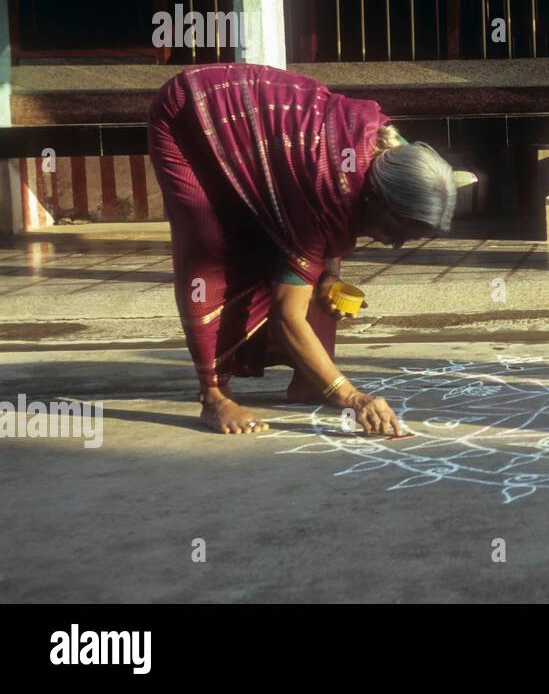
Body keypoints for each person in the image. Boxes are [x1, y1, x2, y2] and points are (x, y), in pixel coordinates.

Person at [148, 62, 465, 435]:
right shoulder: (328, 188)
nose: (395, 243)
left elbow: (332, 229)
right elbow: (287, 314)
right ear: (376, 200)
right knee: (211, 247)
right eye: (398, 230)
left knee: (312, 272)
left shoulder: (400, 155)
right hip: (194, 114)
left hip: (267, 136)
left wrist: (330, 275)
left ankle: (308, 378)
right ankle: (214, 395)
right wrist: (350, 397)